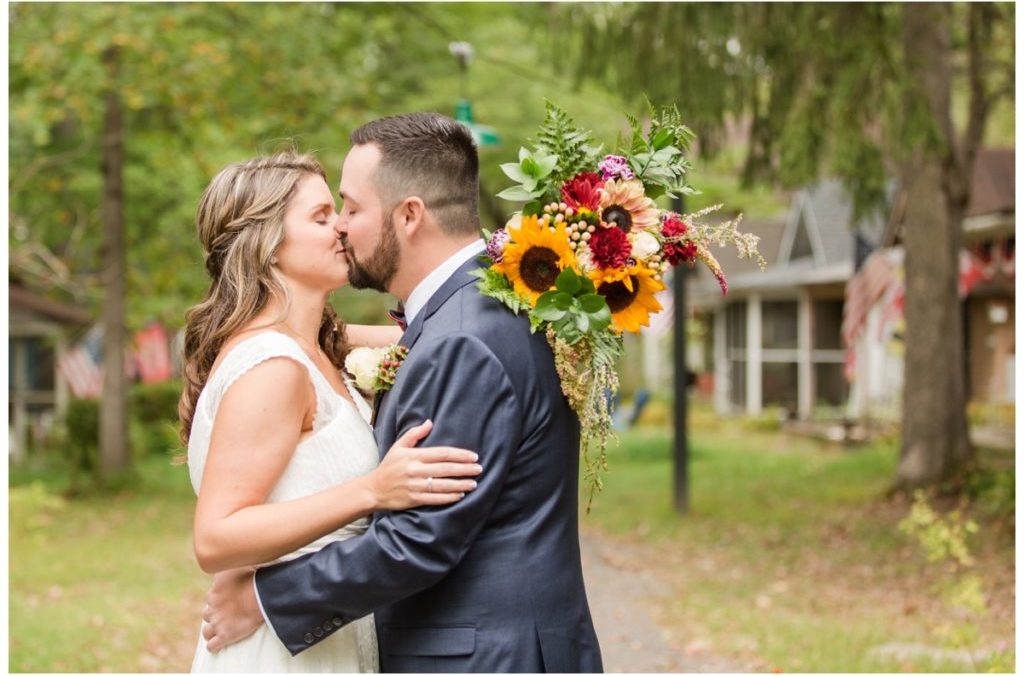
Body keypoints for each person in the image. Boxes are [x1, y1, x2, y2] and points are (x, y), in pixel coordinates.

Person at [202, 113, 603, 672]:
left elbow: (419, 539)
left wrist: (267, 598)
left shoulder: (462, 337)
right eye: (327, 214)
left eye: (349, 208)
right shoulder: (480, 309)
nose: (341, 226)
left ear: (409, 215)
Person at [180, 151, 483, 672]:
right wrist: (372, 491)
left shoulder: (320, 345)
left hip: (323, 633)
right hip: (281, 652)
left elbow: (442, 332)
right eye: (321, 217)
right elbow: (214, 538)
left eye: (339, 212)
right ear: (268, 243)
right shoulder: (270, 367)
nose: (342, 228)